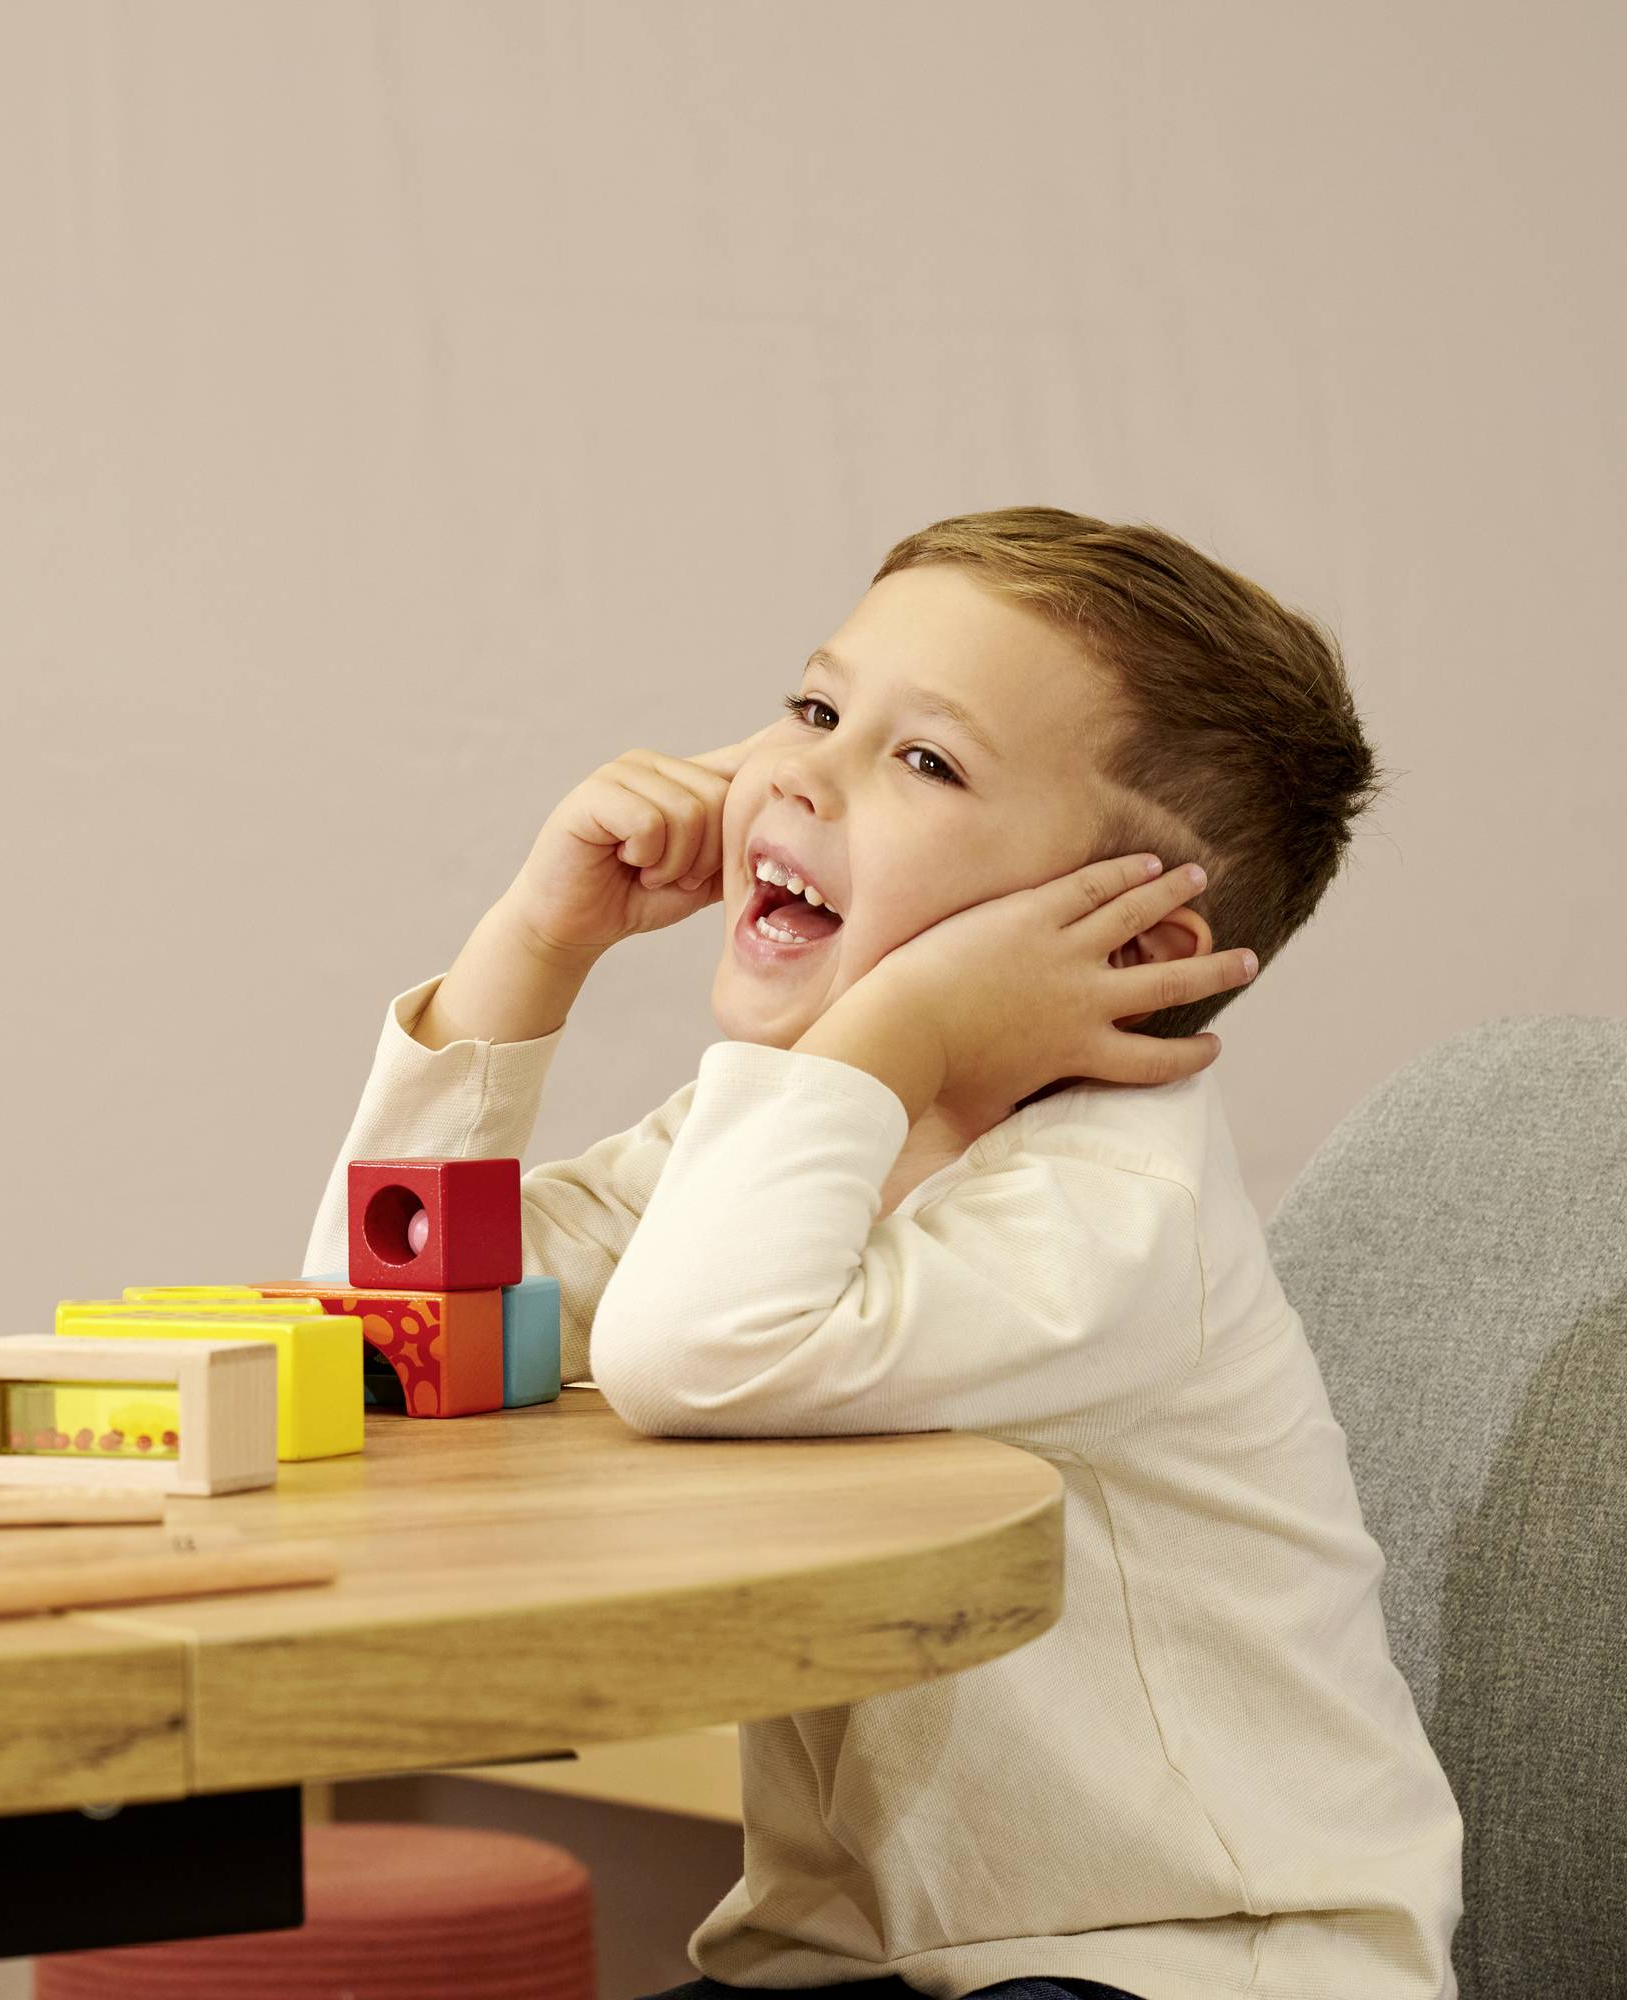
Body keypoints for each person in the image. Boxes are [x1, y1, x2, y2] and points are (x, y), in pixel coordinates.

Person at [302, 507, 1464, 2000]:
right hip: (859, 1962)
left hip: (1195, 1964)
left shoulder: (1118, 1216)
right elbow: (383, 1325)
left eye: (924, 761)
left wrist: (901, 1021)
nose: (800, 774)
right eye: (814, 709)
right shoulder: (789, 1137)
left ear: (1128, 943)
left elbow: (692, 1355)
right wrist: (538, 941)